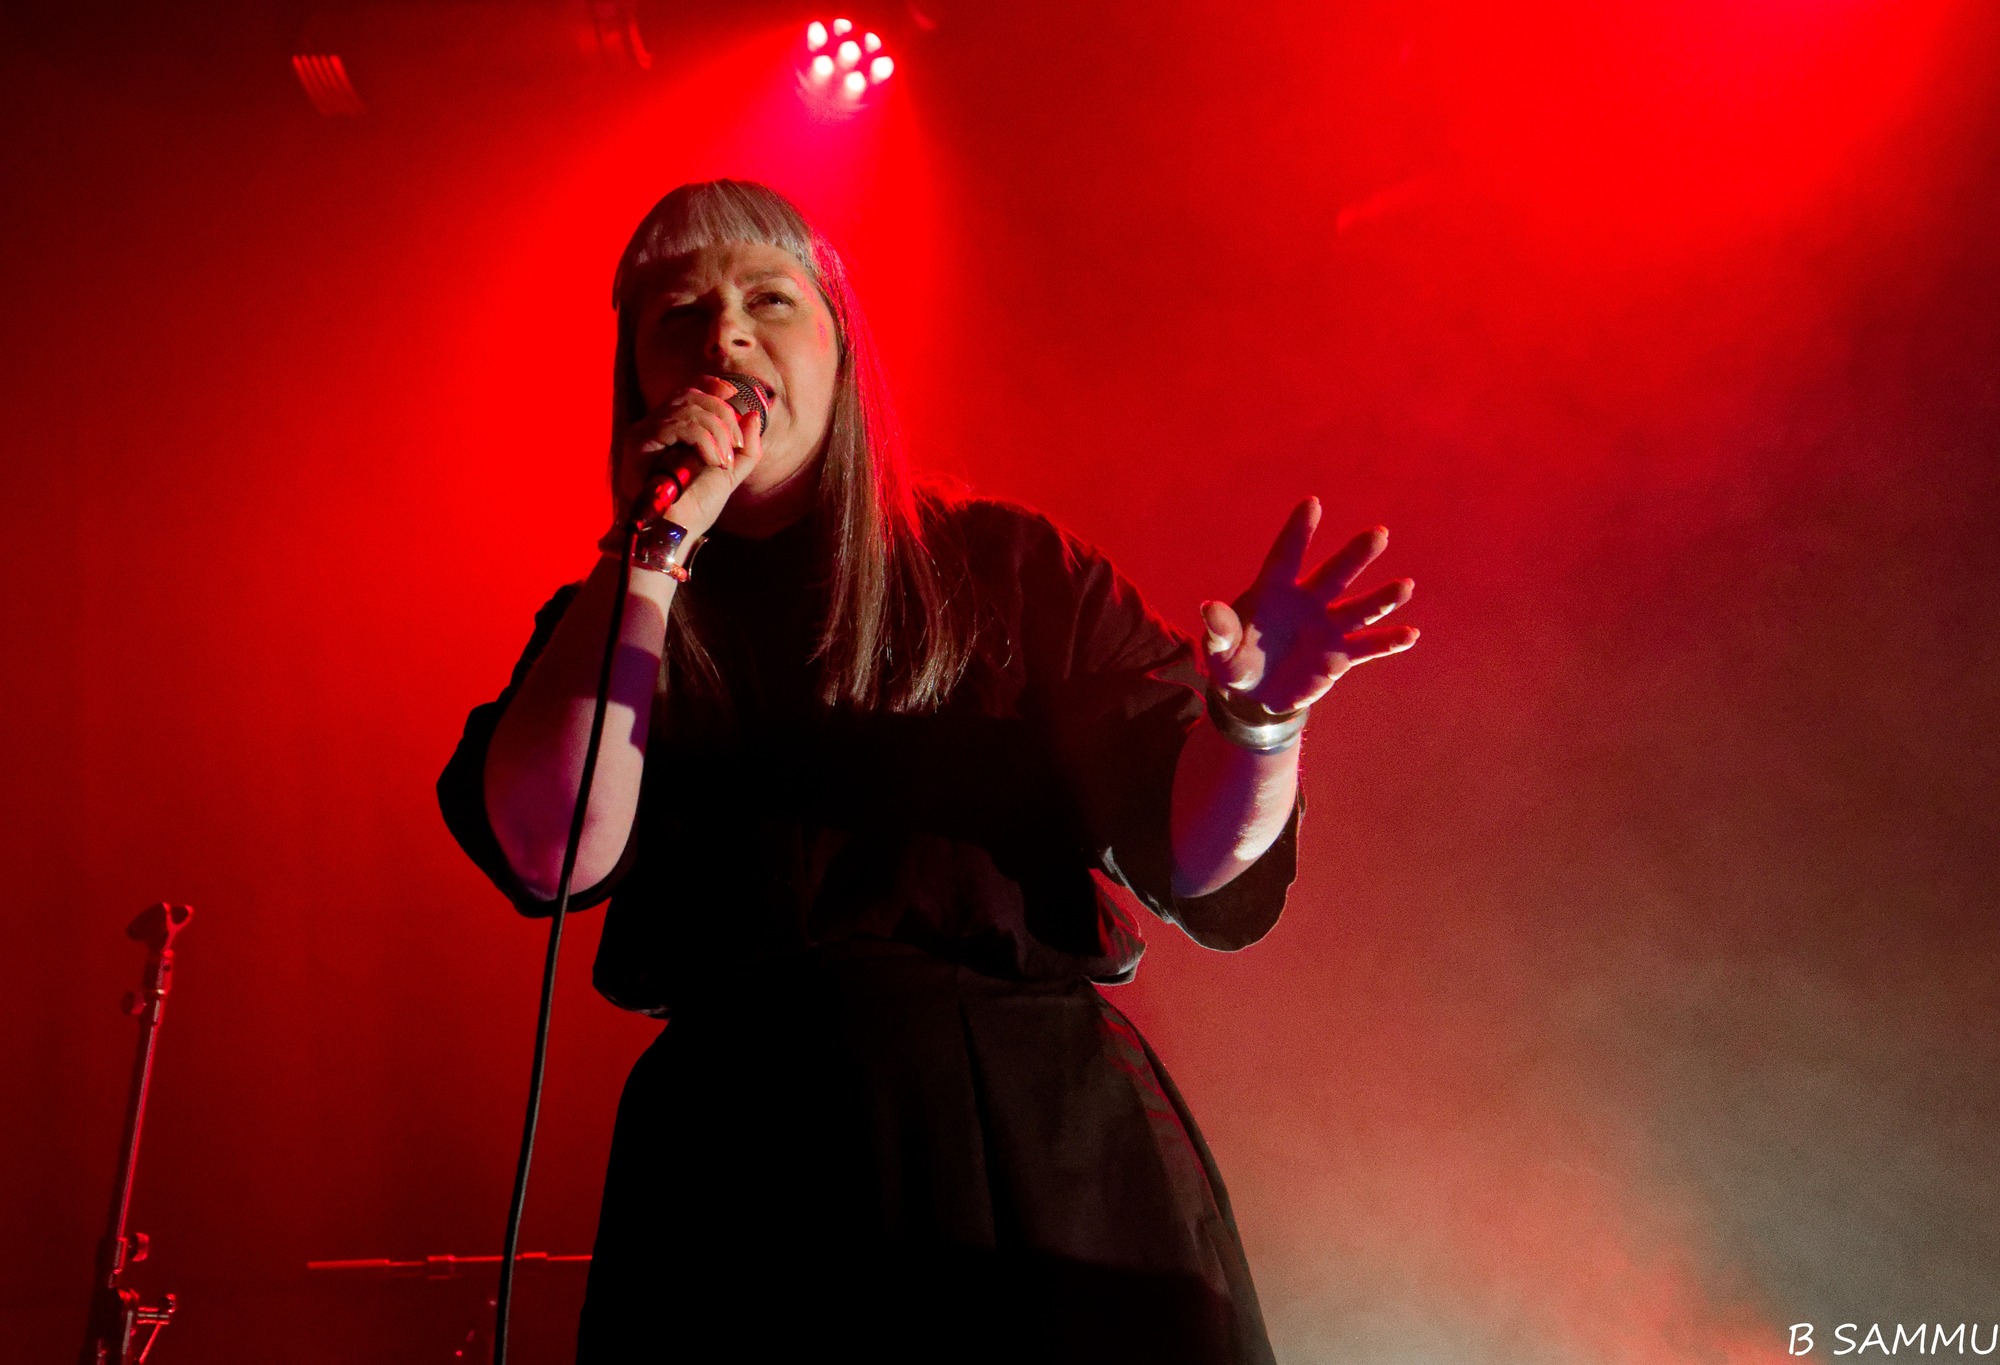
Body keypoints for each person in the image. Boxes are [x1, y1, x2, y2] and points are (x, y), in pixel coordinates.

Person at [437, 179, 1417, 1363]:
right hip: (738, 1167)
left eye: (766, 300)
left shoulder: (1005, 566)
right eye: (677, 315)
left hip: (1029, 1137)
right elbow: (549, 853)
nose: (723, 335)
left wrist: (1257, 722)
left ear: (840, 350)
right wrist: (647, 549)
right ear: (637, 381)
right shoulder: (612, 623)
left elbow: (1197, 860)